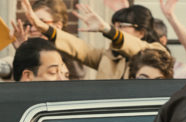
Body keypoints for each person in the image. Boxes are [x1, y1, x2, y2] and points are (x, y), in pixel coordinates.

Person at [22, 0, 168, 79]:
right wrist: (45, 28)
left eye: (121, 26)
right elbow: (82, 49)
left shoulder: (158, 53)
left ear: (141, 32)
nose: (116, 30)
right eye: (114, 26)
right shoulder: (109, 57)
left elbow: (143, 51)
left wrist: (107, 30)